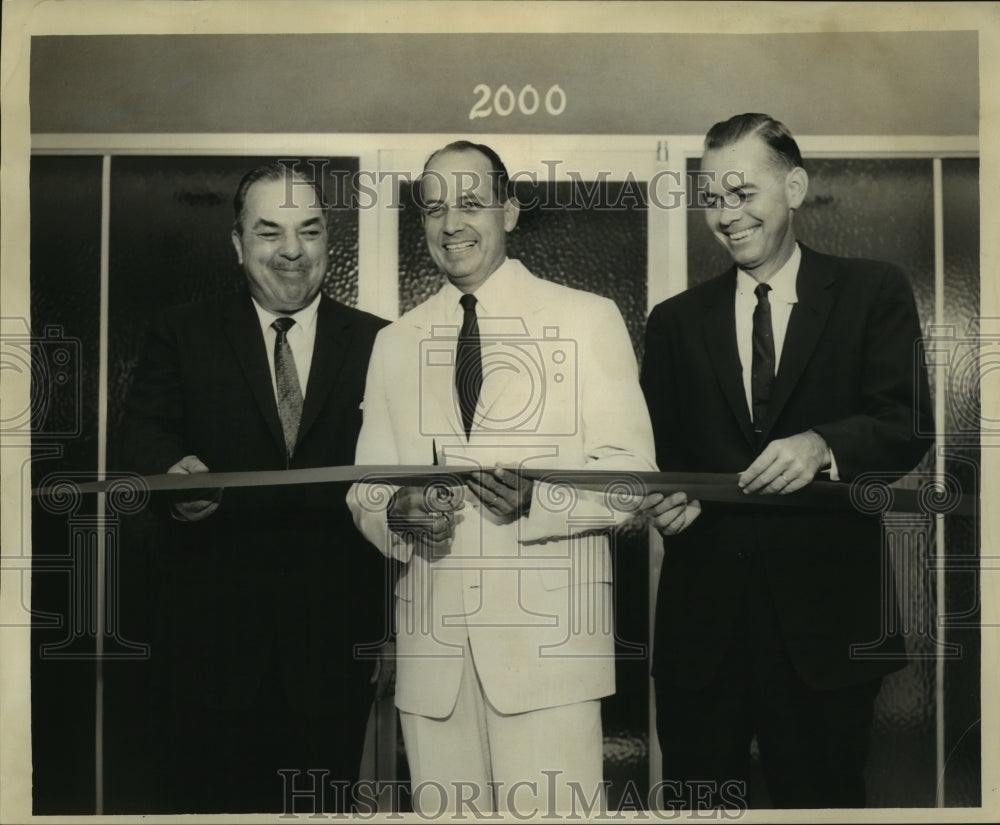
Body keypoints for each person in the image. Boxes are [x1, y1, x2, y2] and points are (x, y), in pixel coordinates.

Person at [348, 141, 656, 814]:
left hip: (549, 663)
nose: (449, 223)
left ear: (509, 211)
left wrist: (540, 501)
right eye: (433, 208)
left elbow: (635, 480)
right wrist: (392, 512)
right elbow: (364, 487)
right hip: (434, 670)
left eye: (469, 202)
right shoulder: (395, 342)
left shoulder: (586, 318)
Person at [639, 113, 934, 809]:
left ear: (795, 187)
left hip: (828, 636)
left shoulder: (873, 291)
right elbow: (655, 459)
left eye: (742, 193)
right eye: (712, 199)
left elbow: (906, 424)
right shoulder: (674, 322)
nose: (725, 215)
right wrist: (658, 501)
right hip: (701, 637)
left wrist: (824, 445)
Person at [121, 162, 388, 813]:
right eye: (269, 231)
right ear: (238, 244)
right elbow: (143, 439)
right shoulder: (179, 332)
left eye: (310, 230)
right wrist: (173, 475)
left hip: (334, 654)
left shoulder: (384, 342)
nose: (292, 250)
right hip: (208, 656)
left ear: (330, 242)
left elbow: (401, 478)